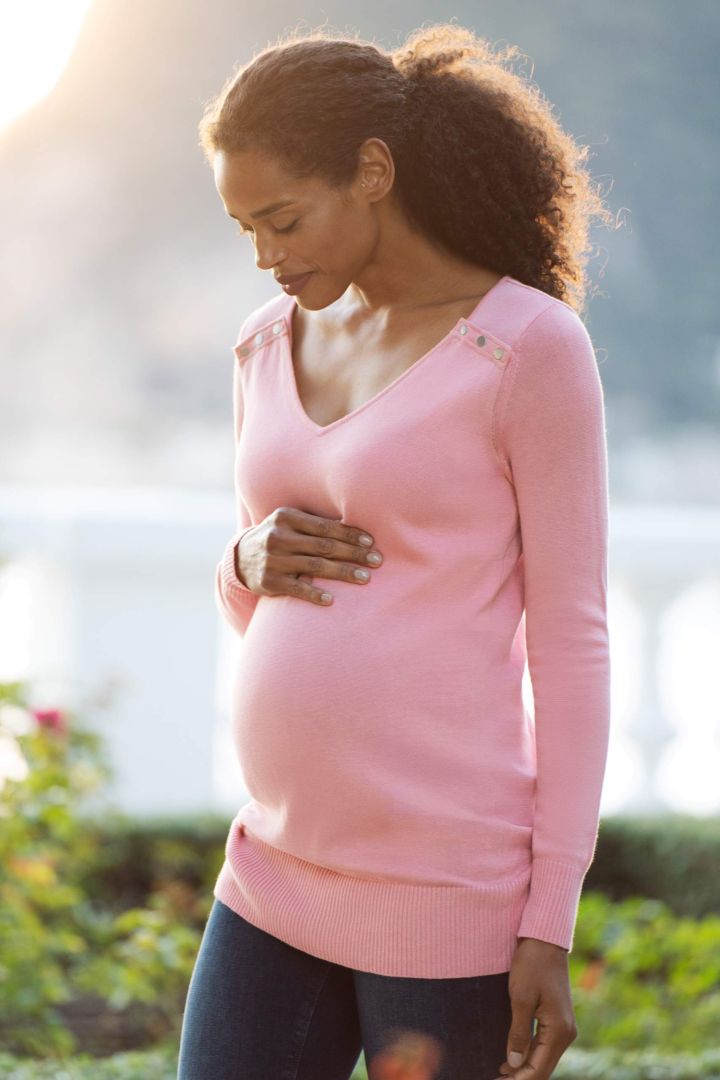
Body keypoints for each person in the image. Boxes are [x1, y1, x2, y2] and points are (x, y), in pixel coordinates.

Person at [178, 21, 613, 1080]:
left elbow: (572, 644)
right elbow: (256, 595)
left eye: (285, 219)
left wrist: (546, 918)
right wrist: (243, 561)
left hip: (447, 897)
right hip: (272, 870)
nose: (271, 258)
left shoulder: (524, 347)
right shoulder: (263, 344)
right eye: (247, 232)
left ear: (373, 170)